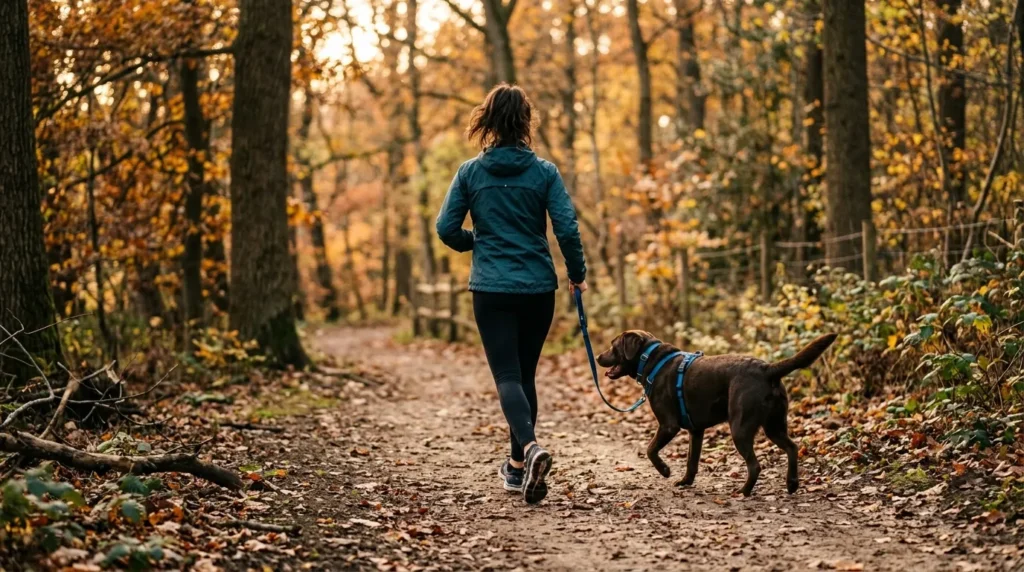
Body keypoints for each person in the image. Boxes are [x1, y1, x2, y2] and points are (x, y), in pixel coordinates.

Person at [435, 84, 587, 505]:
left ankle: (530, 450)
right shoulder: (544, 172)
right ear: (525, 122)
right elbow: (567, 228)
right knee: (525, 376)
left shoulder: (470, 173)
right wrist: (577, 273)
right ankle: (519, 467)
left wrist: (477, 243)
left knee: (507, 377)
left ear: (486, 120)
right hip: (538, 287)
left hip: (492, 288)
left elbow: (446, 228)